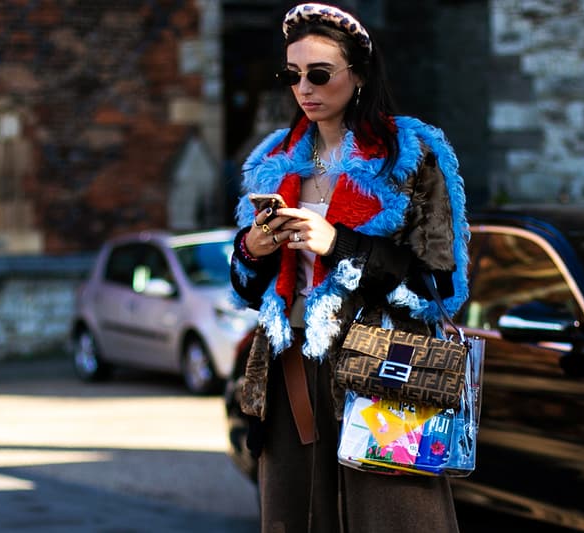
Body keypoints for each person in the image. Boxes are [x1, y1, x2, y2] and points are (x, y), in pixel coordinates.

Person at [230, 3, 470, 532]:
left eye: (319, 74)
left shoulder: (410, 153)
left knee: (393, 518)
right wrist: (254, 248)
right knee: (297, 517)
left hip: (382, 368)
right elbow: (248, 288)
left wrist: (338, 244)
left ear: (358, 74)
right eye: (292, 76)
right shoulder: (276, 157)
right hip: (290, 365)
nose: (304, 89)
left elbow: (439, 285)